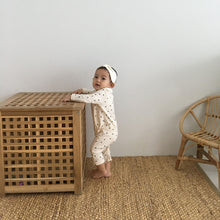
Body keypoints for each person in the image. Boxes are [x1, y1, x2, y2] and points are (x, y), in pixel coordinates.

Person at [63, 64, 118, 178]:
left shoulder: (104, 93)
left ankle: (101, 171)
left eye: (103, 78)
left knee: (95, 149)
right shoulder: (102, 93)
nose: (98, 80)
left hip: (107, 131)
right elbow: (92, 94)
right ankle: (107, 170)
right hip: (109, 130)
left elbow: (89, 98)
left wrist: (72, 97)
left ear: (111, 84)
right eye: (96, 76)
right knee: (105, 150)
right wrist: (83, 90)